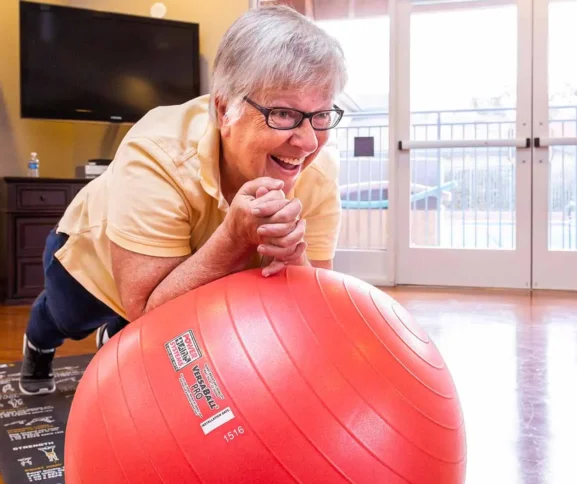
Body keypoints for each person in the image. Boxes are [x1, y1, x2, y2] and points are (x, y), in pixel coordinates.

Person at [19, 5, 348, 396]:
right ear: (225, 109)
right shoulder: (156, 150)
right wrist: (233, 239)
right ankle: (38, 344)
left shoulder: (318, 173)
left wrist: (295, 256)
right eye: (282, 113)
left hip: (163, 282)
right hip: (94, 258)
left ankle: (117, 334)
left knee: (142, 332)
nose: (309, 142)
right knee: (69, 318)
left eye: (321, 115)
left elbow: (314, 299)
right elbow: (145, 308)